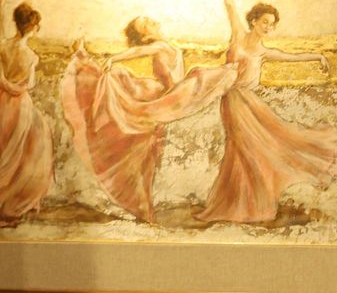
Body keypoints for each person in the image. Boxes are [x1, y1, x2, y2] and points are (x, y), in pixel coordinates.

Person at [195, 0, 337, 224]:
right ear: (254, 21)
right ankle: (235, 205)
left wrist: (317, 55)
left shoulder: (264, 52)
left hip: (249, 104)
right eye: (265, 22)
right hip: (232, 101)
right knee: (238, 150)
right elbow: (230, 4)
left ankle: (249, 205)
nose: (268, 27)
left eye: (272, 25)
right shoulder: (238, 36)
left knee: (251, 149)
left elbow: (292, 57)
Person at [59, 15, 236, 222]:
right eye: (146, 24)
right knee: (118, 78)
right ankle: (84, 62)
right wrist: (114, 59)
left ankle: (141, 205)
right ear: (145, 37)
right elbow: (138, 52)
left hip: (167, 94)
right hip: (161, 94)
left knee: (124, 86)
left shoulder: (166, 45)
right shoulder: (159, 46)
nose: (153, 22)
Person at [0, 0, 53, 224]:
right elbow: (29, 85)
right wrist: (16, 87)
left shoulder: (3, 46)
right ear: (33, 27)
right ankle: (12, 202)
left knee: (4, 150)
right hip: (19, 104)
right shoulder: (31, 56)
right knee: (26, 150)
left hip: (1, 101)